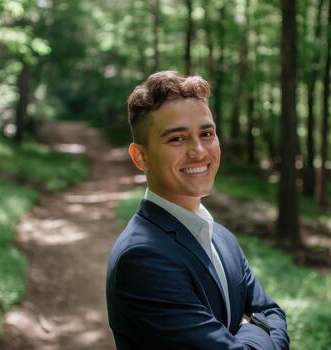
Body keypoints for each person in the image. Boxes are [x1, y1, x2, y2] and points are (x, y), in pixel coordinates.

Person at [106, 71, 289, 350]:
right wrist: (249, 326)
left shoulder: (223, 237)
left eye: (206, 133)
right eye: (177, 139)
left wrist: (247, 330)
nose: (199, 151)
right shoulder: (142, 258)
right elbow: (267, 325)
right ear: (140, 157)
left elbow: (273, 313)